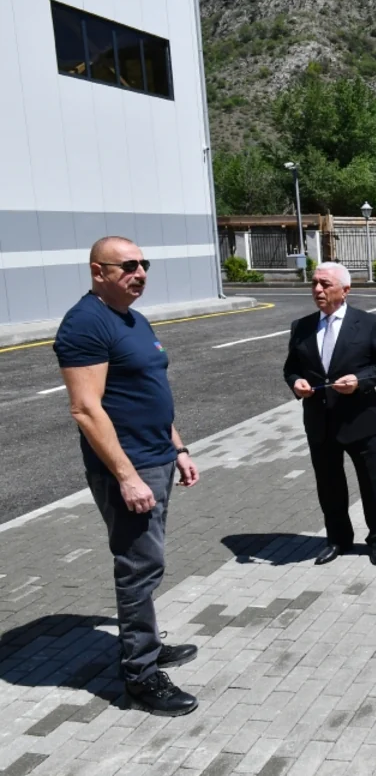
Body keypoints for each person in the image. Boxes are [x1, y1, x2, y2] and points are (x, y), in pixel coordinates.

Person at [54, 236, 200, 717]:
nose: (139, 273)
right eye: (128, 266)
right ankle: (140, 675)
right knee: (138, 567)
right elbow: (85, 409)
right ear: (99, 272)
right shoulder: (85, 324)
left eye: (144, 264)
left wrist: (177, 447)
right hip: (129, 467)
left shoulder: (134, 318)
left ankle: (148, 645)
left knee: (149, 562)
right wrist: (127, 476)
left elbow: (153, 389)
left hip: (157, 456)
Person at [284, 262, 376, 566]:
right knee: (329, 484)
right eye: (314, 284)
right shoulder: (302, 326)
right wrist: (296, 383)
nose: (317, 290)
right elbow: (291, 367)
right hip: (319, 421)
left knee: (373, 483)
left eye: (325, 284)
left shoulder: (369, 324)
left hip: (359, 418)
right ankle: (338, 539)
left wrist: (359, 382)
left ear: (345, 290)